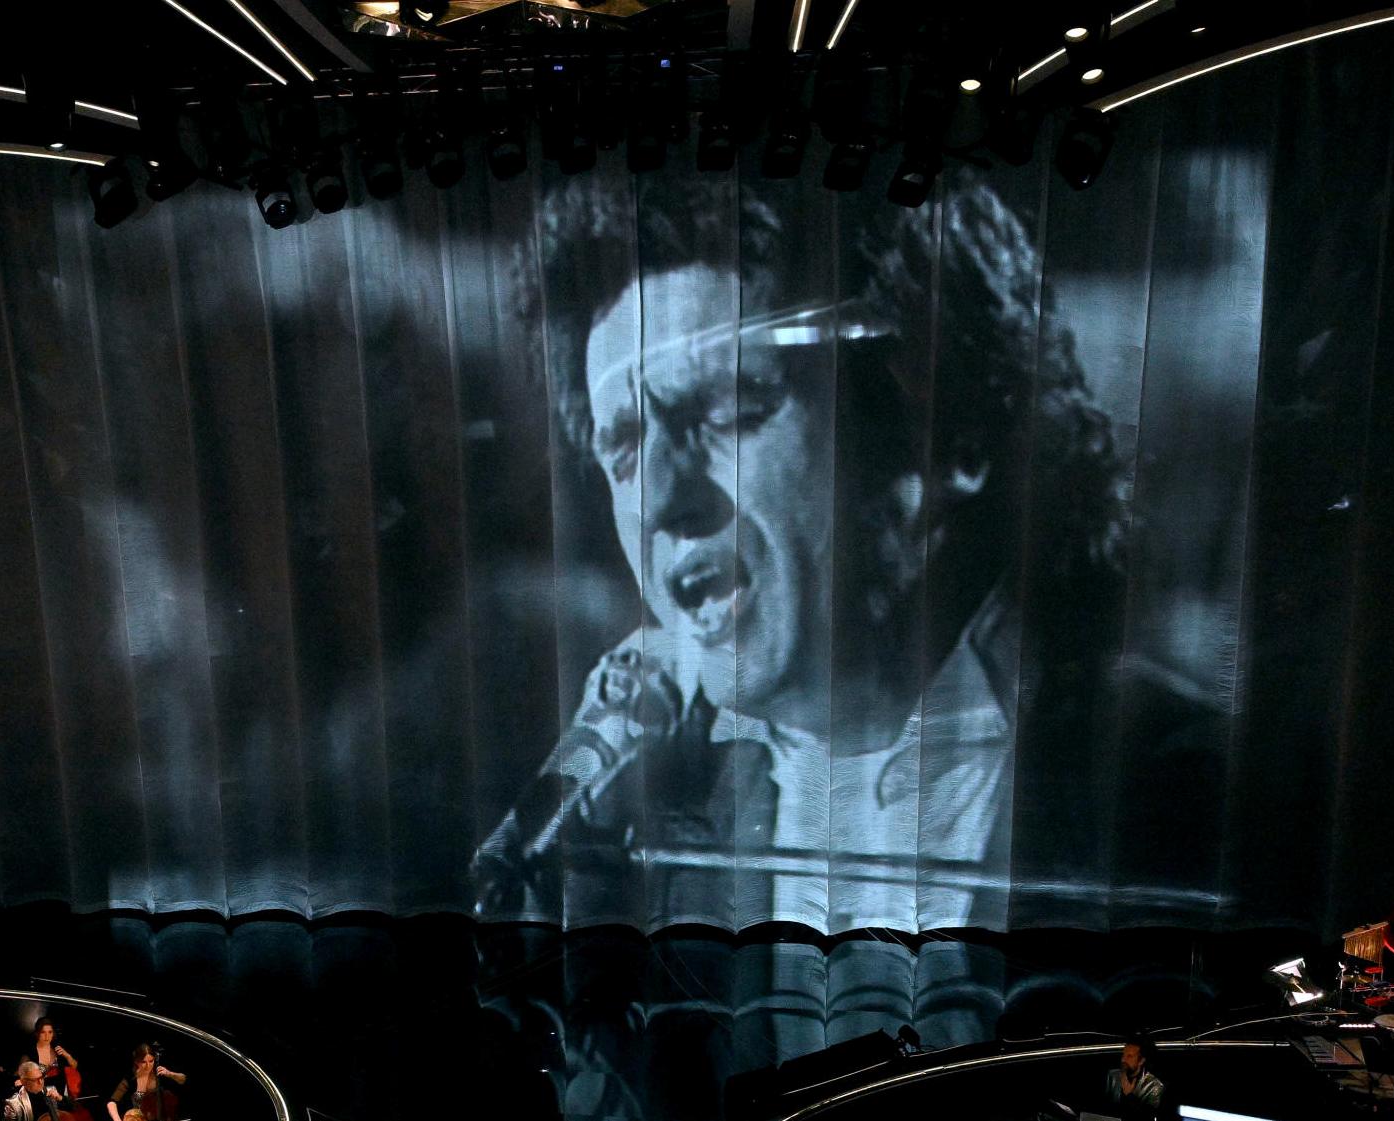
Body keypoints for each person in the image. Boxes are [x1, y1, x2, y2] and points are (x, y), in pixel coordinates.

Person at [474, 169, 1127, 935]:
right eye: (620, 445)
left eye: (732, 408)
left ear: (950, 431)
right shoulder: (662, 845)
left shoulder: (1164, 788)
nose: (657, 498)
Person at [105, 1045, 183, 1121]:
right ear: (136, 1062)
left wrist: (170, 1074)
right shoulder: (130, 1078)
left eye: (151, 1061)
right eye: (143, 1062)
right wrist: (117, 1119)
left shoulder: (160, 1073)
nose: (148, 1065)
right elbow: (112, 1102)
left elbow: (183, 1080)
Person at [1105, 1037, 1164, 1118]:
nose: (1123, 1060)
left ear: (1141, 1061)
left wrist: (1129, 1096)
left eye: (1129, 1056)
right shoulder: (1113, 1075)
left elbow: (1148, 1116)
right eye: (1123, 1055)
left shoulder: (1154, 1086)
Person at [24, 1019, 79, 1103]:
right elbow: (22, 1077)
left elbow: (74, 1066)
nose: (47, 1036)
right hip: (38, 1099)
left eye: (50, 1032)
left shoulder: (57, 1049)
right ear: (37, 1033)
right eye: (43, 1032)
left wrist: (67, 1055)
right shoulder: (30, 1053)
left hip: (59, 1097)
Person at [1, 1061, 66, 1121]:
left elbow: (73, 1108)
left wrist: (60, 1098)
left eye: (41, 1078)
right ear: (24, 1082)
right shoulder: (13, 1105)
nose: (40, 1082)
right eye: (35, 1080)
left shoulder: (52, 1090)